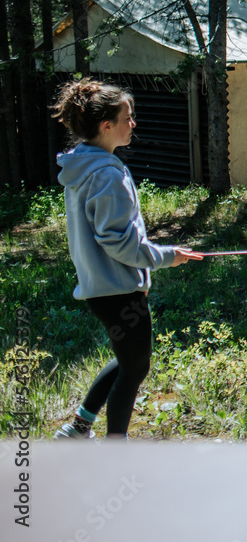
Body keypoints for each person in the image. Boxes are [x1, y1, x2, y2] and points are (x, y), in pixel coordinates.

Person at [50, 79, 202, 439]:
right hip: (116, 290)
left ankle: (78, 428)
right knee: (135, 368)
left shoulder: (84, 167)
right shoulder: (107, 174)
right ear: (107, 125)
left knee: (128, 360)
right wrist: (166, 257)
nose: (133, 124)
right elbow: (117, 242)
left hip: (102, 288)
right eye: (127, 118)